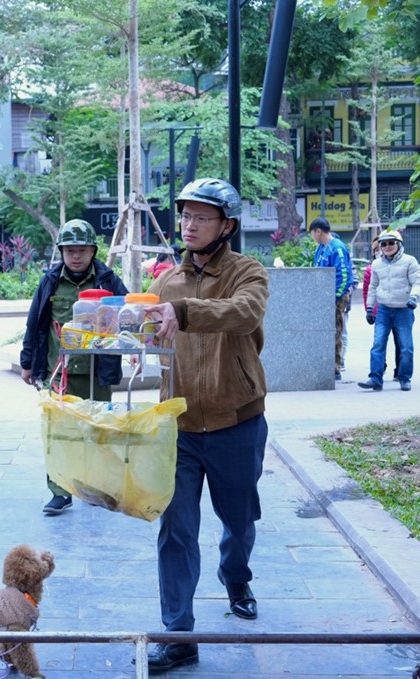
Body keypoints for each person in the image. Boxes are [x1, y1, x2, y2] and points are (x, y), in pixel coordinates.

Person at [138, 178, 269, 673]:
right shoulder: (165, 281)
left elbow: (243, 313)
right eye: (185, 216)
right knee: (176, 530)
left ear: (227, 225)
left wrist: (183, 311)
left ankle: (236, 577)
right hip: (181, 427)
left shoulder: (247, 273)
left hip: (238, 421)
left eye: (201, 217)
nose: (189, 225)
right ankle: (179, 635)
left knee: (238, 520)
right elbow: (142, 327)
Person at [19, 219, 127, 515]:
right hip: (59, 373)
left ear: (93, 251)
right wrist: (27, 363)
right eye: (70, 251)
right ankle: (60, 491)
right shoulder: (50, 282)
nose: (76, 256)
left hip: (97, 372)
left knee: (98, 431)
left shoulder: (108, 280)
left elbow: (128, 316)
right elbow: (34, 324)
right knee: (60, 434)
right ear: (62, 252)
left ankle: (97, 489)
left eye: (82, 250)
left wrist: (134, 349)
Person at [359, 229, 420, 392]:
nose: (387, 247)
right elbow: (372, 287)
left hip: (404, 309)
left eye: (391, 243)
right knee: (378, 344)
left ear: (399, 244)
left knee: (406, 346)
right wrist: (370, 308)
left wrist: (414, 297)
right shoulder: (376, 264)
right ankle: (375, 379)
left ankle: (404, 378)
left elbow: (417, 282)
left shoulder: (410, 261)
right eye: (383, 244)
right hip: (384, 310)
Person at [308, 217, 354, 381]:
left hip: (335, 297)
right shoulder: (320, 248)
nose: (312, 237)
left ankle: (335, 367)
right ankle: (323, 364)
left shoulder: (337, 248)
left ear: (318, 231)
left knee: (335, 330)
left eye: (312, 233)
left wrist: (335, 298)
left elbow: (343, 275)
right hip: (322, 298)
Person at [363, 235, 401, 380]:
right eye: (378, 249)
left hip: (398, 309)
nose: (382, 250)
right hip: (380, 312)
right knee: (379, 342)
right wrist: (369, 310)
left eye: (385, 246)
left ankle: (400, 371)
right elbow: (368, 291)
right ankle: (379, 368)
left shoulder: (402, 264)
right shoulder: (371, 269)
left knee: (401, 342)